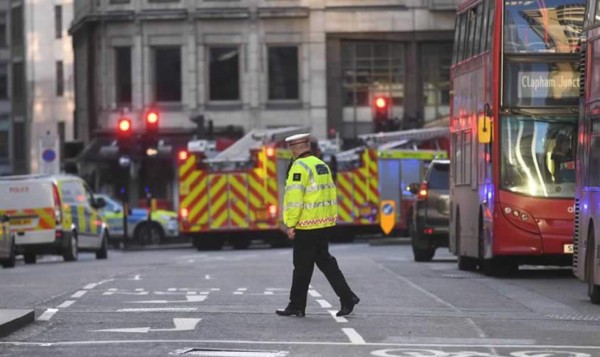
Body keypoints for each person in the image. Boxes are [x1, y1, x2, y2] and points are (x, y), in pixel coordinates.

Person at [276, 133, 359, 318]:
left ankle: (297, 305)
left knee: (302, 266)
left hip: (306, 225)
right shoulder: (321, 165)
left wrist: (291, 224)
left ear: (294, 148)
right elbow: (329, 194)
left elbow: (295, 200)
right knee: (325, 262)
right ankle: (347, 297)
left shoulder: (299, 168)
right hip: (323, 223)